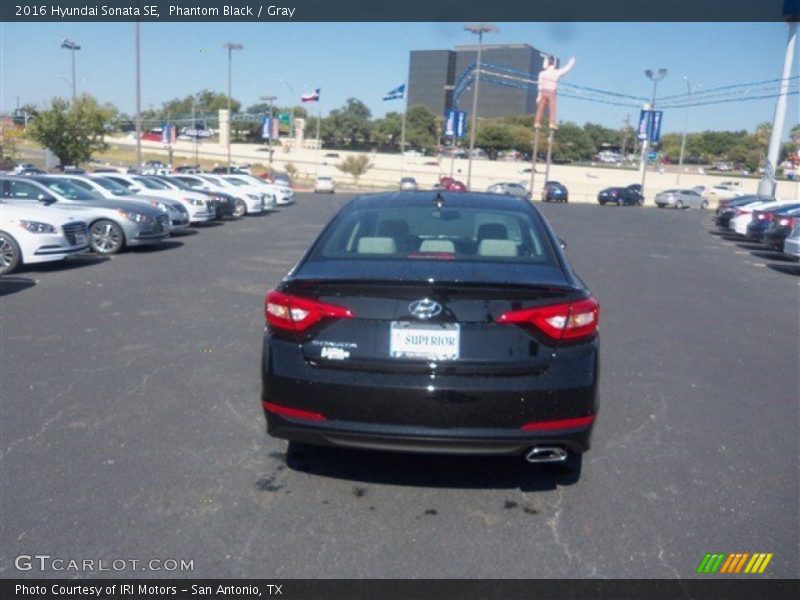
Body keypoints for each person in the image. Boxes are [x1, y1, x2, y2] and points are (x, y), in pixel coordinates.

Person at [534, 55, 576, 130]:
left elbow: (539, 85)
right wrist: (570, 64)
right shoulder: (556, 72)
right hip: (552, 92)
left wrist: (538, 96)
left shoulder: (542, 73)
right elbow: (566, 69)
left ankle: (537, 122)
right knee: (552, 109)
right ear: (554, 64)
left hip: (543, 92)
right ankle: (551, 123)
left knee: (540, 108)